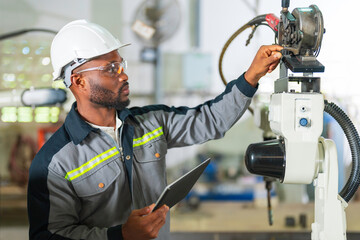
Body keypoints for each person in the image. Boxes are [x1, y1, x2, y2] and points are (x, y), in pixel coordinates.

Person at [27, 19, 282, 240]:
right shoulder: (54, 163)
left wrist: (251, 77)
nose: (124, 75)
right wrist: (121, 236)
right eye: (111, 68)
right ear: (79, 81)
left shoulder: (150, 122)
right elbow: (50, 235)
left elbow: (210, 120)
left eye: (121, 64)